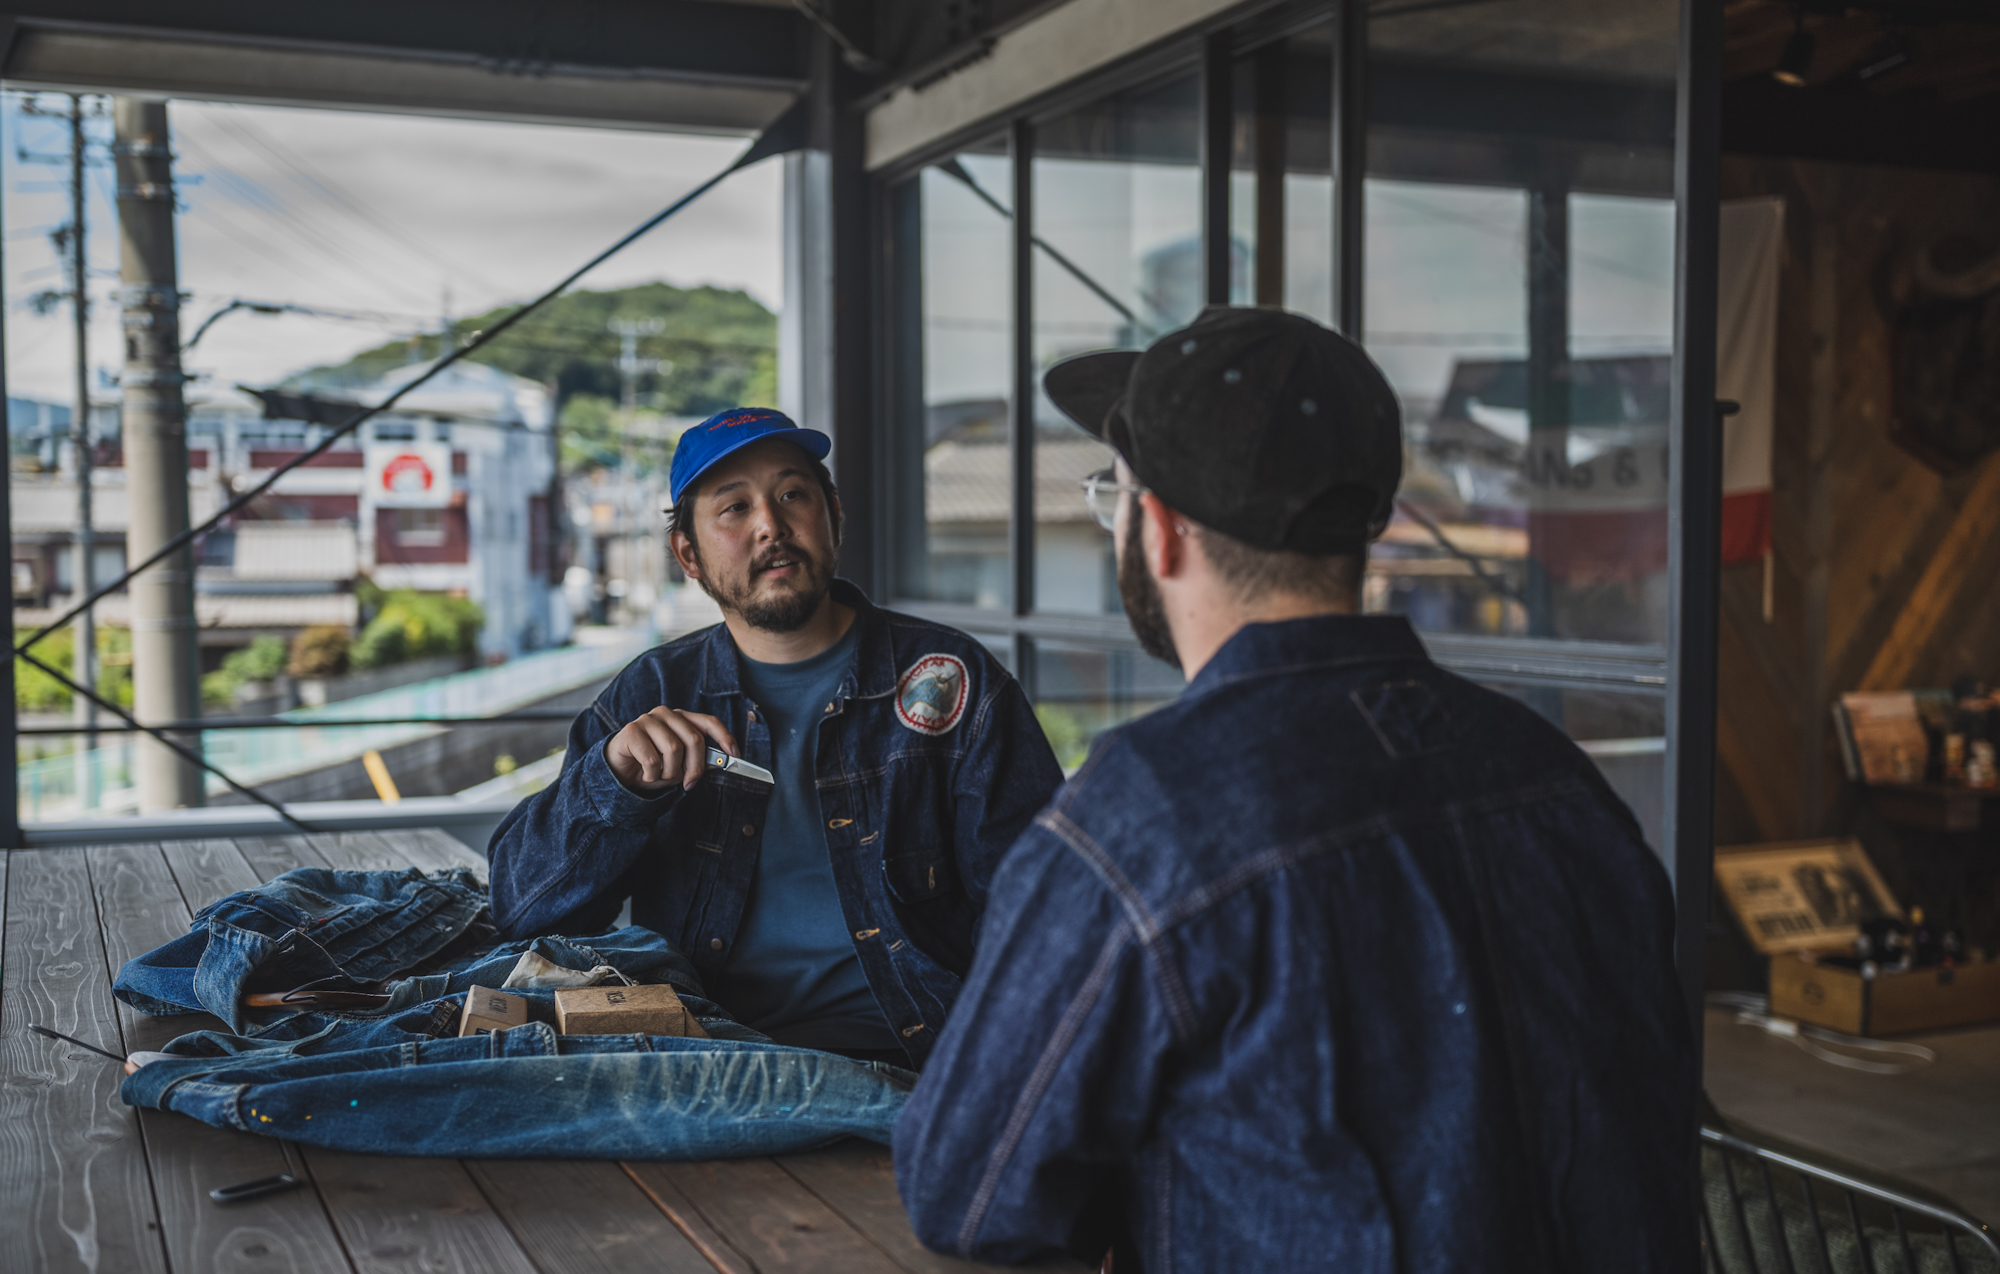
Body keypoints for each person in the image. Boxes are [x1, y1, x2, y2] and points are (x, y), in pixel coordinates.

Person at [893, 308, 1698, 1269]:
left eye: (1115, 495)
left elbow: (967, 1190)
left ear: (1159, 530)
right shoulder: (1555, 775)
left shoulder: (1145, 816)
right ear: (1364, 529)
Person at [488, 407, 1064, 1066]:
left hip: (917, 1056)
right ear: (688, 554)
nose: (771, 525)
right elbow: (522, 912)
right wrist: (613, 783)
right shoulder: (650, 694)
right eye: (734, 508)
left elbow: (1042, 911)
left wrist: (992, 1072)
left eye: (793, 495)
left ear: (834, 517)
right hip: (708, 1058)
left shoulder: (953, 680)